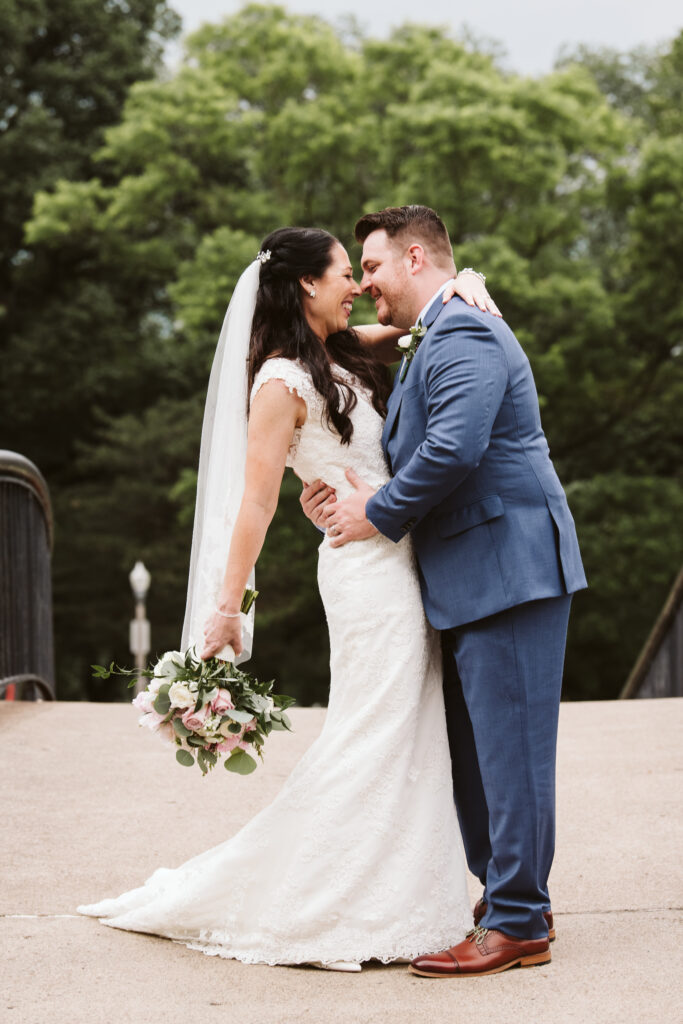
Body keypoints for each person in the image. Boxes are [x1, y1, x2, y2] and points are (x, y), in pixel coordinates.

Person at [78, 226, 498, 971]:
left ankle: (399, 892)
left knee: (406, 734)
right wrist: (225, 607)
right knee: (372, 732)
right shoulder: (279, 383)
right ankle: (322, 897)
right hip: (365, 577)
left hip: (402, 559)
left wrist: (469, 280)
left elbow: (418, 316)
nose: (359, 285)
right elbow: (256, 504)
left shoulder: (344, 353)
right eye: (345, 272)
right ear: (306, 284)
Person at [306, 205, 587, 978]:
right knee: (475, 756)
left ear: (417, 257)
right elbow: (401, 433)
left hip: (510, 570)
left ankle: (520, 922)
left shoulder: (463, 332)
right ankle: (509, 896)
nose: (364, 284)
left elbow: (455, 446)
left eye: (371, 267)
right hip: (471, 576)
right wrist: (342, 495)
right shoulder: (440, 328)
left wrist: (378, 514)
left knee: (512, 755)